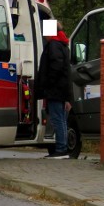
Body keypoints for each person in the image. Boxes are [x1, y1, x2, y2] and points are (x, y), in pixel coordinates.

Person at [36, 20, 73, 159]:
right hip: (62, 89)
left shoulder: (53, 45)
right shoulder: (62, 44)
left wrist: (48, 83)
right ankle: (62, 148)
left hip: (56, 89)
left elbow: (55, 66)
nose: (44, 36)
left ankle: (61, 149)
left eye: (45, 32)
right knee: (61, 119)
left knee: (57, 119)